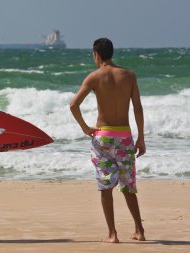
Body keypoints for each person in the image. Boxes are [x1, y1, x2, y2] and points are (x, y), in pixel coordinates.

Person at [70, 38, 146, 243]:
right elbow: (138, 108)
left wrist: (85, 128)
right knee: (128, 185)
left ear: (96, 55)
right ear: (111, 53)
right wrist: (141, 138)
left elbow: (73, 105)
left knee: (106, 186)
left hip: (103, 137)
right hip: (124, 138)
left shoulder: (94, 77)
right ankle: (140, 231)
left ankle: (112, 234)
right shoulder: (129, 76)